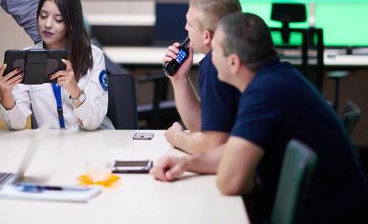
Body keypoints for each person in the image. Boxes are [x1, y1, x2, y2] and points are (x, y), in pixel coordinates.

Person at [151, 13, 368, 223]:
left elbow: (230, 181)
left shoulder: (264, 93)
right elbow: (233, 150)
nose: (209, 59)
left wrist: (241, 171)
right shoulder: (278, 76)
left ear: (234, 62)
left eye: (215, 51)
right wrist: (186, 162)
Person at [0, 0, 113, 130]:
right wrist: (5, 94)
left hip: (85, 145)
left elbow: (92, 123)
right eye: (43, 16)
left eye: (58, 19)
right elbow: (16, 125)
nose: (48, 24)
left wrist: (74, 90)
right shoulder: (26, 58)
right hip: (47, 147)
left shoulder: (93, 55)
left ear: (71, 24)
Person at [163, 0, 241, 154]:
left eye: (190, 24)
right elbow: (205, 128)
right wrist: (179, 78)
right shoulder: (243, 53)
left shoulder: (216, 64)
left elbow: (212, 146)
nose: (185, 28)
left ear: (207, 36)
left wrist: (175, 136)